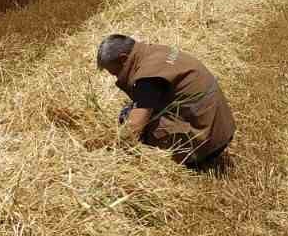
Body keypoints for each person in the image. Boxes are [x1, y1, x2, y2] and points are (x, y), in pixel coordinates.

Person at [93, 33, 234, 168]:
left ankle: (194, 159)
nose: (117, 78)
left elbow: (134, 128)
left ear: (123, 59)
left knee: (128, 117)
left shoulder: (148, 77)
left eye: (115, 73)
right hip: (221, 125)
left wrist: (110, 153)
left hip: (206, 141)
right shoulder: (154, 52)